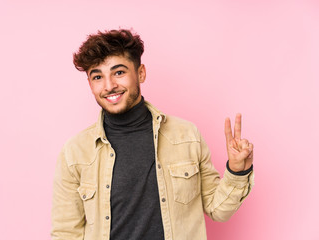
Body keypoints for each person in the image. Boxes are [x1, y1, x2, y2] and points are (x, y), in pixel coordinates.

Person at [51, 29, 254, 240]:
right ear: (90, 84)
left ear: (140, 73)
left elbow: (217, 209)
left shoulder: (186, 135)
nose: (109, 85)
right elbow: (65, 233)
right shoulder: (75, 153)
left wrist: (237, 171)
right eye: (97, 76)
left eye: (119, 72)